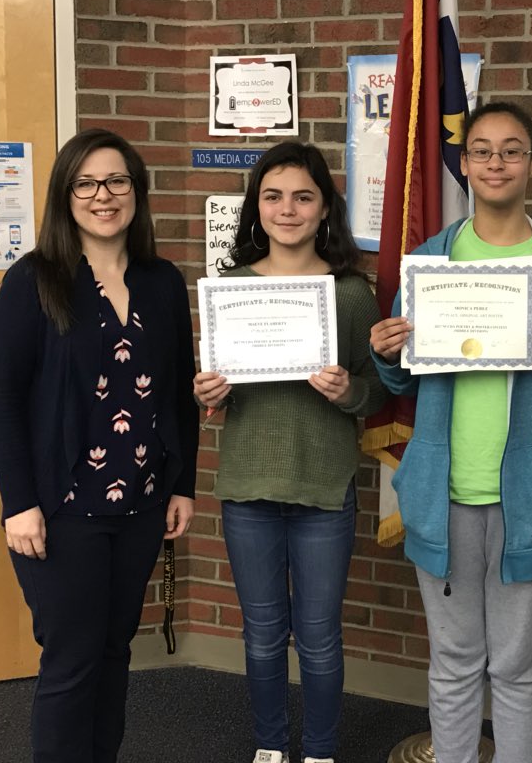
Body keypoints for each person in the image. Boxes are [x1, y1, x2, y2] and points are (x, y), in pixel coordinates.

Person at [370, 101, 532, 763]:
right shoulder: (429, 262)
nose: (496, 162)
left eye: (512, 150)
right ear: (464, 163)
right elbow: (398, 385)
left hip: (531, 498)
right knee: (453, 661)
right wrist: (388, 351)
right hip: (444, 493)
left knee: (516, 666)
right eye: (482, 150)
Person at [0, 129, 198, 763]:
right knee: (72, 661)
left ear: (137, 191)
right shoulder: (33, 281)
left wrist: (181, 482)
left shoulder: (162, 282)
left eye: (117, 182)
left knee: (113, 653)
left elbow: (177, 392)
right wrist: (18, 503)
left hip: (139, 505)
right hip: (62, 509)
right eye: (86, 183)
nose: (103, 196)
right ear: (64, 194)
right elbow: (2, 401)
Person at [192, 142, 386, 763]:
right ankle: (270, 749)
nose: (287, 209)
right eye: (272, 196)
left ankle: (322, 751)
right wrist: (208, 392)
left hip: (324, 489)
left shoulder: (352, 292)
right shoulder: (229, 290)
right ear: (256, 207)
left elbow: (376, 393)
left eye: (303, 196)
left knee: (322, 639)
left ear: (325, 206)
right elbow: (214, 398)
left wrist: (348, 389)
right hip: (248, 486)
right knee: (263, 637)